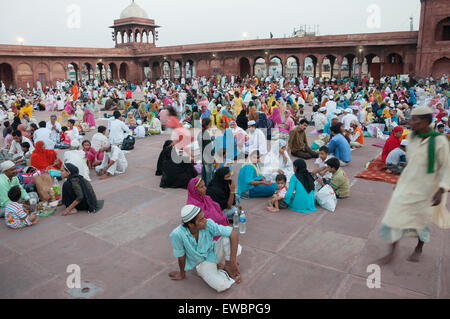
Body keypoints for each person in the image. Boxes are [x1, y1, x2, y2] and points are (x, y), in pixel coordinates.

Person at [377, 106, 449, 264]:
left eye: (414, 119)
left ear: (425, 121)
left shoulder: (440, 141)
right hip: (407, 185)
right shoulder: (411, 138)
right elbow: (410, 163)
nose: (410, 122)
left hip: (428, 190)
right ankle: (391, 253)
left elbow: (445, 167)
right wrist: (400, 181)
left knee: (420, 221)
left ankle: (419, 247)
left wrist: (441, 190)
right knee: (394, 216)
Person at [169, 205, 242, 292]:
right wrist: (182, 274)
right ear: (191, 225)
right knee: (221, 286)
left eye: (204, 217)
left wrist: (232, 261)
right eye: (201, 220)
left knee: (230, 241)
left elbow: (233, 233)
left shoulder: (208, 223)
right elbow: (181, 256)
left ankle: (228, 265)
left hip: (213, 252)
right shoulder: (177, 234)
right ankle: (223, 270)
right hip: (201, 263)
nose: (205, 221)